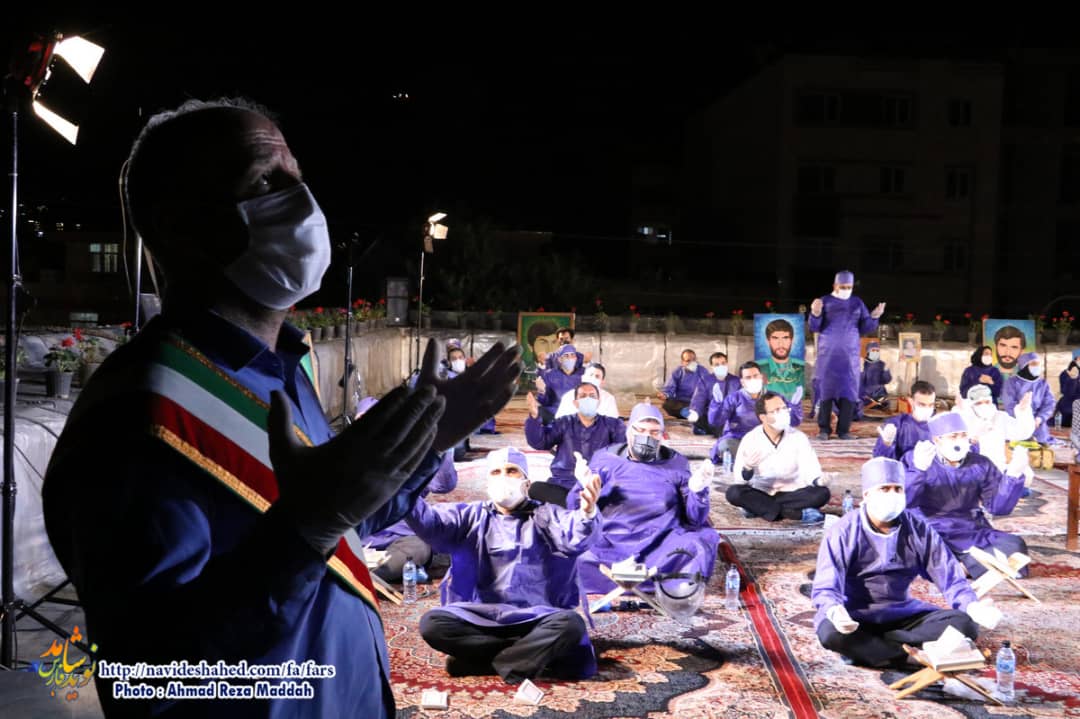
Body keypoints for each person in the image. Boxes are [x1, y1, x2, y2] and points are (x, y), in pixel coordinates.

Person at [42, 98, 522, 718]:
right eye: (265, 181)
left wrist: (424, 448)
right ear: (177, 223)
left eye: (297, 178)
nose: (303, 203)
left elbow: (342, 530)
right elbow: (152, 679)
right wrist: (302, 530)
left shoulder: (285, 369)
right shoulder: (137, 419)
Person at [407, 447, 602, 684]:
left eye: (511, 471)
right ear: (487, 482)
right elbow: (430, 522)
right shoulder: (470, 516)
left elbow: (577, 535)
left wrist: (588, 512)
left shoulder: (545, 515)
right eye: (496, 472)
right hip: (480, 617)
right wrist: (405, 488)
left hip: (537, 618)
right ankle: (525, 657)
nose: (503, 477)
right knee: (432, 624)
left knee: (571, 625)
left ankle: (484, 662)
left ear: (526, 483)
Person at [812, 457, 1002, 669]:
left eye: (898, 489)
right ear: (867, 495)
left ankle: (877, 650)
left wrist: (972, 606)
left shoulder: (918, 528)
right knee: (830, 634)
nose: (892, 495)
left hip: (903, 614)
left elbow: (949, 577)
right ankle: (907, 655)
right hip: (855, 618)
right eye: (884, 489)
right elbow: (826, 586)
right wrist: (834, 610)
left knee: (965, 624)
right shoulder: (843, 531)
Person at [568, 403, 721, 594]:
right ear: (628, 432)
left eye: (654, 432)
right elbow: (575, 510)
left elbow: (694, 518)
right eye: (640, 430)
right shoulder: (606, 459)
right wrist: (584, 487)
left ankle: (629, 582)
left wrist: (698, 491)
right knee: (566, 546)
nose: (647, 437)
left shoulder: (675, 463)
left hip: (660, 542)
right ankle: (658, 581)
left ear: (662, 435)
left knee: (699, 543)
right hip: (610, 542)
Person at [905, 413, 1030, 578]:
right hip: (931, 528)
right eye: (953, 436)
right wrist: (918, 471)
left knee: (1014, 545)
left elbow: (998, 508)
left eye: (963, 435)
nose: (960, 440)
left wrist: (1013, 475)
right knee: (913, 547)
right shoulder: (917, 458)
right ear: (936, 439)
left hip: (970, 529)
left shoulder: (980, 463)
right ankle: (974, 566)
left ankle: (960, 569)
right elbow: (905, 501)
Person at [357, 397, 459, 583]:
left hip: (401, 535)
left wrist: (444, 446)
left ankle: (364, 578)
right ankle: (355, 574)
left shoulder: (410, 456)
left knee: (416, 550)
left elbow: (443, 484)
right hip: (357, 536)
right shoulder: (344, 460)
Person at [727, 391, 829, 524]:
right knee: (734, 493)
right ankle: (794, 513)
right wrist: (747, 468)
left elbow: (811, 469)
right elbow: (740, 481)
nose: (783, 413)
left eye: (784, 408)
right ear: (763, 417)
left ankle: (759, 508)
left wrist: (818, 480)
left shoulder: (798, 437)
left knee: (822, 493)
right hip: (762, 491)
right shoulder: (751, 439)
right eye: (776, 410)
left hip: (793, 492)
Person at [808, 270, 885, 440]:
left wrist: (874, 317)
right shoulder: (825, 301)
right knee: (826, 392)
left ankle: (844, 430)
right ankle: (824, 430)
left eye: (849, 287)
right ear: (835, 286)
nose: (846, 290)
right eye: (843, 286)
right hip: (828, 356)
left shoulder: (857, 303)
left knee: (848, 393)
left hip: (850, 357)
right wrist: (815, 314)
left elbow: (865, 327)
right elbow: (814, 327)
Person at [525, 382, 625, 496]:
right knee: (536, 489)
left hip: (599, 485)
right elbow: (540, 442)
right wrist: (534, 416)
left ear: (598, 402)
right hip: (565, 483)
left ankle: (582, 502)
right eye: (583, 396)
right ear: (575, 403)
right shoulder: (564, 423)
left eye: (592, 396)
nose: (588, 399)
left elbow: (624, 454)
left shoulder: (613, 425)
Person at [709, 361, 804, 462]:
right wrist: (717, 404)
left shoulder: (775, 397)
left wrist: (795, 406)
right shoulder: (734, 398)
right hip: (739, 440)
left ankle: (759, 460)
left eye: (755, 376)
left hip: (768, 440)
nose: (753, 379)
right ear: (742, 382)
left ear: (761, 377)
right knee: (726, 445)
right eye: (748, 377)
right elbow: (716, 421)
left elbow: (793, 422)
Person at [956, 384, 1035, 474]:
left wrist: (1023, 411)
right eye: (978, 403)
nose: (984, 406)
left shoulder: (1000, 417)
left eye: (987, 402)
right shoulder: (963, 418)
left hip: (996, 471)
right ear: (971, 404)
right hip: (968, 472)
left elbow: (1022, 432)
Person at [872, 381, 936, 461]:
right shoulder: (897, 424)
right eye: (922, 404)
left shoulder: (939, 426)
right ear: (911, 401)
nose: (927, 409)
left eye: (931, 405)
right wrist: (886, 444)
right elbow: (880, 460)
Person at [1001, 352, 1055, 444]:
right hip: (1018, 423)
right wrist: (1025, 419)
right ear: (1024, 365)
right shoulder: (1012, 382)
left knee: (1040, 446)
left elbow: (1049, 403)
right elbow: (1009, 404)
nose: (1037, 367)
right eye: (1034, 364)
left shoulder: (1042, 383)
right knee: (1018, 447)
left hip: (1038, 426)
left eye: (1038, 364)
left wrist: (1040, 418)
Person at [687, 352, 740, 436]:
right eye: (717, 364)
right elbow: (699, 399)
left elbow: (740, 402)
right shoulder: (705, 380)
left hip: (729, 417)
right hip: (711, 416)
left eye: (723, 363)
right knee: (698, 418)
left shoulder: (736, 381)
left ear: (727, 364)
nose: (720, 366)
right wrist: (695, 412)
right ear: (712, 367)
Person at [756, 317, 806, 402]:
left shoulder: (802, 368)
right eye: (775, 338)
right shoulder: (758, 368)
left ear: (792, 340)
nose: (781, 344)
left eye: (785, 338)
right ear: (768, 341)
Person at [534, 343, 584, 423]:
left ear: (576, 358)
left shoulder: (584, 374)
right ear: (560, 359)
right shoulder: (549, 375)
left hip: (577, 415)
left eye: (572, 355)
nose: (570, 358)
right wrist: (541, 391)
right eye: (566, 356)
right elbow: (544, 402)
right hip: (555, 414)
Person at [657, 348, 712, 420]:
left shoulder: (702, 371)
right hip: (682, 403)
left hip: (697, 402)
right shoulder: (677, 372)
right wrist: (664, 395)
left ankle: (691, 413)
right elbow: (670, 388)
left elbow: (709, 388)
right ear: (682, 362)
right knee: (667, 405)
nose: (692, 363)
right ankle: (692, 414)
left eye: (693, 360)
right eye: (688, 361)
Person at [555, 362, 619, 419]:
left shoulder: (608, 399)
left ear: (602, 382)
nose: (593, 378)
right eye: (590, 375)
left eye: (597, 376)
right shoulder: (568, 397)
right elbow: (560, 421)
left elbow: (613, 423)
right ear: (583, 377)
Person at [858, 341, 891, 415]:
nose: (875, 352)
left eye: (877, 351)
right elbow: (860, 382)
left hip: (880, 395)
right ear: (868, 352)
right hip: (866, 397)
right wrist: (861, 372)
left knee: (883, 412)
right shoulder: (864, 364)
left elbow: (886, 380)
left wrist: (886, 370)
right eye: (873, 350)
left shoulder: (882, 364)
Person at [1055, 349, 1080, 427]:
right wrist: (1073, 379)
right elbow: (1067, 392)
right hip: (1068, 406)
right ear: (1076, 359)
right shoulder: (1065, 374)